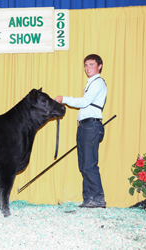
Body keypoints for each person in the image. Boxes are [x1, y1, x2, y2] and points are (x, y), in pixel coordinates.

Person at [54, 54, 107, 208]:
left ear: (99, 66)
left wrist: (64, 98)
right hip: (85, 126)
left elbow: (84, 102)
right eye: (86, 65)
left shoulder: (98, 83)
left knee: (89, 164)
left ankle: (98, 199)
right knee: (84, 164)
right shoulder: (91, 84)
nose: (88, 67)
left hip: (91, 126)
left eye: (91, 64)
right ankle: (89, 199)